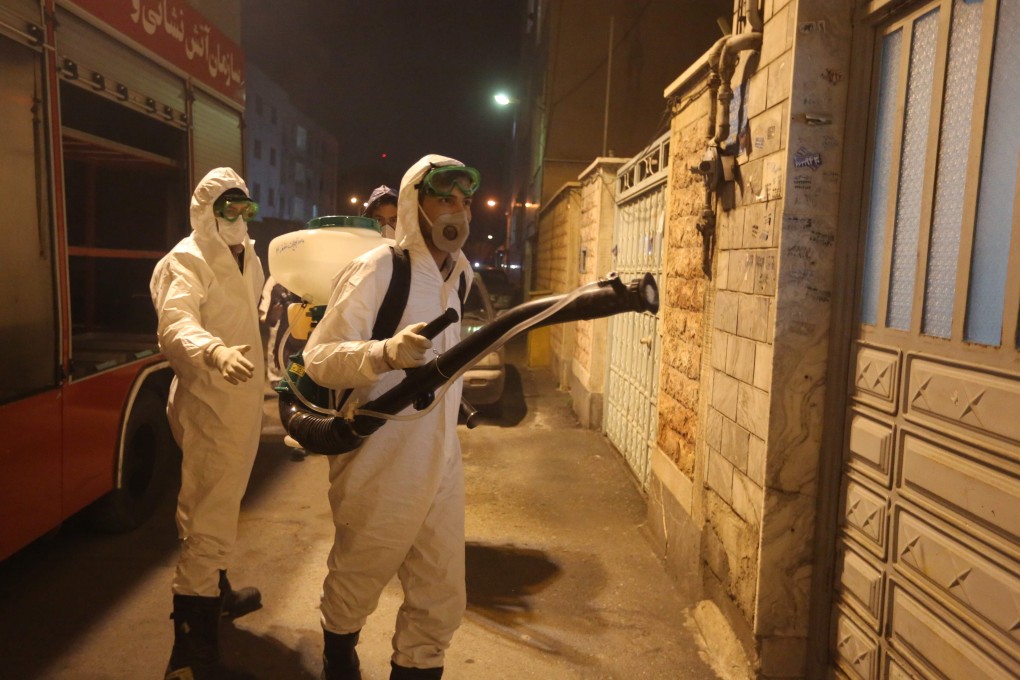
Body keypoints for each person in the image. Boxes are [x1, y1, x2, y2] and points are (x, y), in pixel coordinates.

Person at [302, 155, 479, 680]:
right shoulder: (380, 268)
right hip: (381, 454)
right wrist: (383, 354)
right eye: (445, 199)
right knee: (359, 575)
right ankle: (339, 658)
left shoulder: (462, 273)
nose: (459, 212)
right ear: (413, 205)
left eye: (464, 201)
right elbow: (319, 359)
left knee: (442, 592)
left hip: (441, 457)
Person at [150, 167, 266, 680]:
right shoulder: (186, 260)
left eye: (245, 207)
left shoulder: (247, 255)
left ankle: (216, 594)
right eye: (227, 207)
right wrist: (214, 351)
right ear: (205, 210)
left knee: (215, 507)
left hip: (239, 403)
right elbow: (176, 324)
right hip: (211, 405)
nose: (238, 216)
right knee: (207, 521)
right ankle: (189, 655)